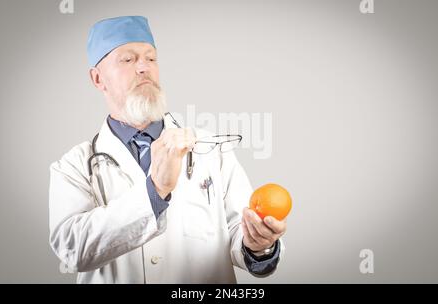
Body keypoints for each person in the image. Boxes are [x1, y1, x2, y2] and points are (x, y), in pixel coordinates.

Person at [49, 16, 286, 283]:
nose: (144, 68)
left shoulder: (209, 148)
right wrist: (155, 191)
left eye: (151, 59)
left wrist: (259, 245)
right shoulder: (73, 166)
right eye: (128, 60)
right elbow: (72, 248)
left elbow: (240, 231)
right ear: (98, 78)